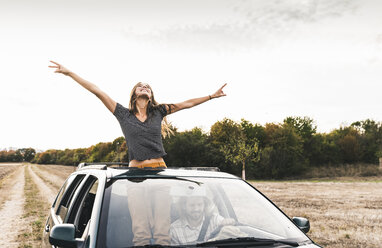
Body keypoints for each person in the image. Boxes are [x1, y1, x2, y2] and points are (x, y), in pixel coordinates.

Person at [48, 60, 227, 245]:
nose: (144, 87)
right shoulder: (123, 114)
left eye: (148, 87)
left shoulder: (159, 112)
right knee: (140, 228)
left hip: (159, 171)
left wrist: (211, 96)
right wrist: (69, 73)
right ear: (134, 93)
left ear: (151, 95)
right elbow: (97, 91)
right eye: (140, 86)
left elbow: (186, 104)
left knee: (161, 229)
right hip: (134, 175)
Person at [170, 195, 236, 245]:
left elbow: (230, 232)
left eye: (200, 204)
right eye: (192, 205)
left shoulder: (215, 219)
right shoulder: (174, 230)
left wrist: (229, 222)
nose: (196, 209)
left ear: (204, 205)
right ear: (184, 206)